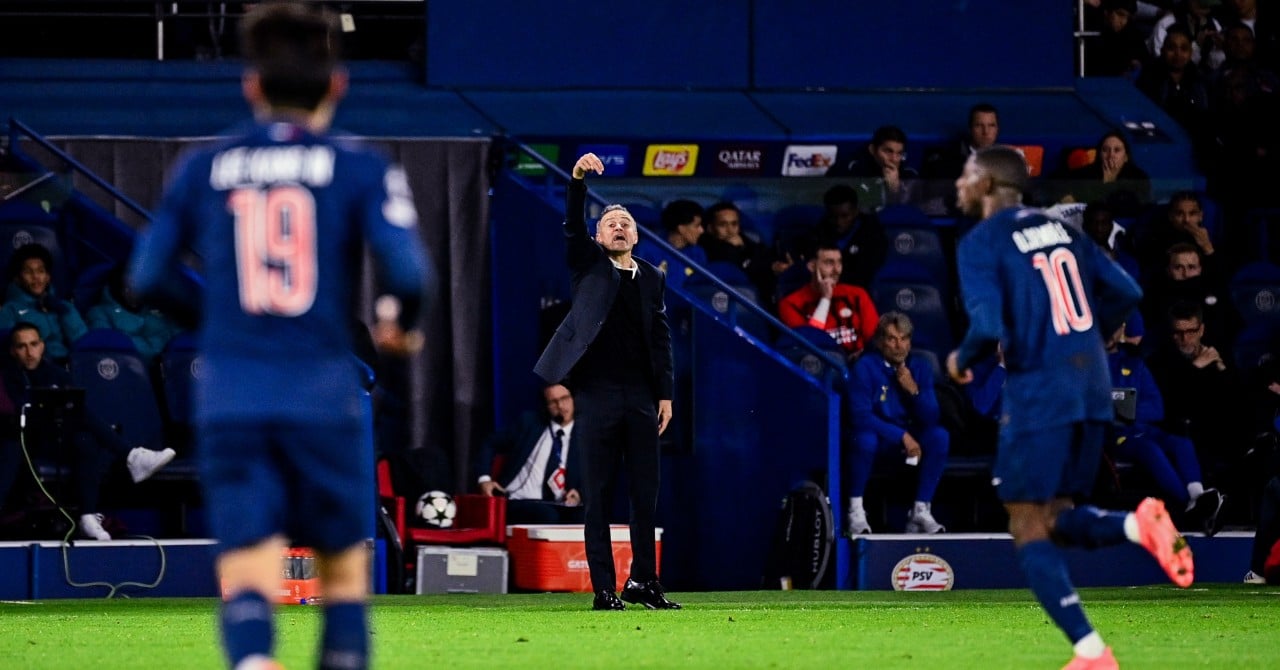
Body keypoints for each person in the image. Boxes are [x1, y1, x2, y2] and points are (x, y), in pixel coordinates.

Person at [127, 4, 433, 669]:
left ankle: (252, 659)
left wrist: (217, 321)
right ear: (338, 84)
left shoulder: (204, 165)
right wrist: (399, 327)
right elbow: (410, 275)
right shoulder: (359, 166)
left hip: (231, 393)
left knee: (250, 563)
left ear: (251, 86)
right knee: (345, 574)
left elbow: (146, 275)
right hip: (323, 390)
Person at [947, 145, 1193, 670]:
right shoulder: (1065, 231)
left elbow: (987, 328)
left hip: (1040, 391)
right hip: (1093, 387)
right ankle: (1139, 527)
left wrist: (960, 358)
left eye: (968, 174)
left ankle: (1091, 652)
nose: (959, 183)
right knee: (1057, 518)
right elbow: (1127, 290)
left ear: (989, 185)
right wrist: (1086, 339)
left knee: (1026, 525)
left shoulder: (981, 241)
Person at [534, 152, 678, 612]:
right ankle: (604, 589)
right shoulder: (588, 265)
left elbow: (660, 337)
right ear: (600, 236)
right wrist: (577, 181)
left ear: (637, 235)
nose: (618, 226)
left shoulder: (652, 278)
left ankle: (643, 583)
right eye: (611, 222)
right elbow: (572, 227)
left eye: (626, 222)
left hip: (640, 396)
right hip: (594, 394)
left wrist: (666, 395)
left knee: (644, 494)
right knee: (597, 496)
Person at [0, 323, 176, 540]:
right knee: (82, 415)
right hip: (24, 443)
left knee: (87, 439)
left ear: (42, 345)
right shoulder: (7, 376)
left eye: (34, 344)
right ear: (12, 351)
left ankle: (87, 516)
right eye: (22, 346)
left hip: (56, 437)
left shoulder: (56, 373)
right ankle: (132, 456)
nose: (29, 352)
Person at [1104, 325, 1225, 533]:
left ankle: (1197, 497)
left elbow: (1156, 407)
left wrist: (1128, 412)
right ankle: (1188, 503)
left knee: (1182, 443)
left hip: (1142, 429)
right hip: (1113, 436)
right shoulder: (1088, 363)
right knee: (1149, 448)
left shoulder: (1134, 363)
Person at [846, 312, 949, 535]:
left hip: (910, 443)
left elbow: (931, 417)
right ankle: (855, 510)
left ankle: (920, 510)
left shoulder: (920, 367)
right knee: (864, 439)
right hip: (881, 439)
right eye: (892, 338)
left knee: (939, 436)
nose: (898, 345)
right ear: (880, 341)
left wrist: (914, 391)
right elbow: (860, 415)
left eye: (904, 339)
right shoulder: (865, 367)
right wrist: (901, 435)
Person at [473, 383, 584, 524]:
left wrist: (579, 494)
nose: (561, 406)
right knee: (548, 516)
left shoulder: (584, 437)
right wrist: (484, 480)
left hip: (558, 504)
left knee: (583, 517)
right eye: (553, 402)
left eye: (565, 398)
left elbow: (595, 475)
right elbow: (490, 443)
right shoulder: (529, 423)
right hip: (517, 499)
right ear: (545, 405)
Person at [777, 240, 879, 362]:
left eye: (839, 263)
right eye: (829, 263)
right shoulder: (790, 304)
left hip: (859, 365)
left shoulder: (857, 294)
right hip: (820, 366)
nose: (837, 270)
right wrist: (825, 299)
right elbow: (809, 344)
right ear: (812, 266)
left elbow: (875, 339)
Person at [0, 243, 87, 363]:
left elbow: (82, 342)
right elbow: (9, 351)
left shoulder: (64, 306)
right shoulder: (9, 310)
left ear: (48, 277)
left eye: (41, 271)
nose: (36, 277)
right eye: (28, 272)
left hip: (69, 366)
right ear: (18, 278)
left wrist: (64, 314)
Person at [84, 264, 183, 365]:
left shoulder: (158, 309)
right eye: (131, 283)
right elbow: (109, 347)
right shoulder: (99, 313)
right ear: (121, 288)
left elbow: (181, 340)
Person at [1054, 131, 1152, 216]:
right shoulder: (1088, 173)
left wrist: (1108, 183)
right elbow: (1055, 181)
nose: (1111, 155)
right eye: (1105, 150)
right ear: (1100, 155)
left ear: (1126, 157)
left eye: (1117, 150)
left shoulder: (1138, 178)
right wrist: (1065, 196)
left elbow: (1128, 208)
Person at [632, 199, 706, 290]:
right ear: (681, 228)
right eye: (697, 226)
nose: (701, 231)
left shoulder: (697, 252)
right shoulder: (648, 248)